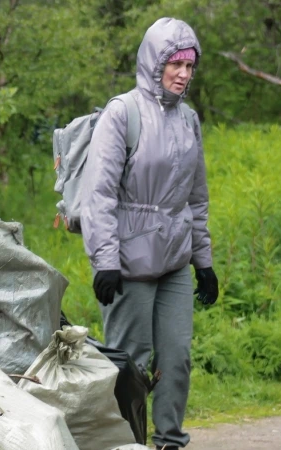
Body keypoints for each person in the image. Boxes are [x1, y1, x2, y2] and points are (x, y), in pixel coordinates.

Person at [79, 17, 220, 450]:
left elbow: (195, 198)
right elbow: (98, 194)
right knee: (131, 366)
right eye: (175, 63)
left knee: (176, 359)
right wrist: (105, 260)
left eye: (189, 66)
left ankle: (170, 442)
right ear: (154, 64)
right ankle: (126, 444)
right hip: (129, 263)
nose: (183, 73)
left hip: (175, 260)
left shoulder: (189, 120)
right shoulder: (123, 113)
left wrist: (204, 262)